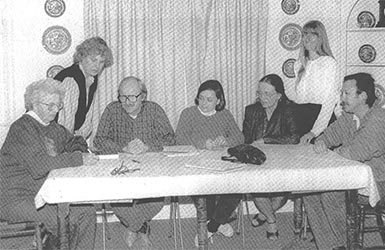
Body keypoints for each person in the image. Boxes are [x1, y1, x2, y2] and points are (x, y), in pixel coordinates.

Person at [304, 72, 385, 250]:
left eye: (346, 93)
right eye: (342, 93)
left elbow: (355, 153)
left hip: (384, 182)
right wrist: (322, 142)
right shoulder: (349, 116)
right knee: (309, 191)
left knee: (331, 194)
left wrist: (336, 150)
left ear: (362, 96)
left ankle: (348, 244)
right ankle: (331, 245)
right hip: (356, 175)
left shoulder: (379, 119)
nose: (342, 99)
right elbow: (329, 135)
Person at [0, 79, 99, 249]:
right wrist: (78, 158)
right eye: (50, 105)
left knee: (87, 211)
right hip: (16, 198)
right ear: (34, 104)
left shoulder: (52, 127)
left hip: (44, 193)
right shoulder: (22, 128)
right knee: (62, 220)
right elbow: (39, 166)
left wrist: (78, 149)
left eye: (58, 105)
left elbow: (75, 140)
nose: (55, 110)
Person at [93, 76, 175, 248]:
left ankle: (133, 226)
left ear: (143, 96)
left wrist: (148, 146)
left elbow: (170, 139)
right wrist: (123, 147)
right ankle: (142, 227)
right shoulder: (111, 110)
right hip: (120, 167)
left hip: (150, 165)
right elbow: (98, 141)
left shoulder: (154, 109)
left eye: (132, 97)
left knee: (157, 194)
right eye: (123, 97)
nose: (127, 101)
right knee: (115, 194)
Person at [175, 80, 244, 244]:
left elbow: (240, 138)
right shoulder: (188, 113)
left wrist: (225, 141)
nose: (204, 103)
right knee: (206, 189)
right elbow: (180, 139)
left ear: (219, 101)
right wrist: (202, 143)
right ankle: (219, 221)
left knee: (238, 185)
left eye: (209, 100)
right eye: (201, 98)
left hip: (221, 164)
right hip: (196, 166)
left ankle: (212, 225)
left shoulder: (224, 114)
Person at [242, 74, 300, 240]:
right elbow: (246, 139)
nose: (262, 97)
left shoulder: (288, 110)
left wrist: (266, 139)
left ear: (279, 96)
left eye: (267, 93)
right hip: (256, 161)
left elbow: (294, 137)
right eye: (260, 93)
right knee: (257, 188)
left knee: (283, 192)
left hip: (281, 161)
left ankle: (264, 214)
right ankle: (271, 220)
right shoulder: (251, 110)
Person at [291, 20, 340, 144]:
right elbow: (299, 100)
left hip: (322, 122)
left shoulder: (328, 63)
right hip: (301, 120)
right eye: (305, 34)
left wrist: (315, 131)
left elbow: (329, 100)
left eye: (313, 34)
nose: (307, 38)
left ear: (320, 38)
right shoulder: (298, 64)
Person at [54, 36, 113, 140]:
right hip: (52, 137)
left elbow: (87, 118)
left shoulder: (91, 78)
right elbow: (65, 122)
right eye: (93, 60)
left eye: (101, 62)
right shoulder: (71, 80)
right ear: (82, 57)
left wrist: (79, 140)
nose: (97, 66)